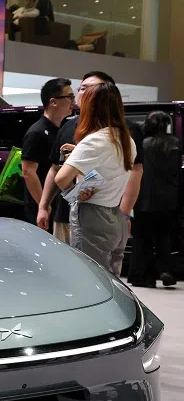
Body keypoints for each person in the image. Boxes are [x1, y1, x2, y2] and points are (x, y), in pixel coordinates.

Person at [38, 71, 145, 243]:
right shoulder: (69, 126)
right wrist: (43, 206)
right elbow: (55, 169)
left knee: (87, 259)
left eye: (90, 89)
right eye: (81, 88)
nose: (83, 93)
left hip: (95, 212)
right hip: (72, 213)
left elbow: (134, 171)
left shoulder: (118, 134)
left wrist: (125, 212)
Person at [55, 82, 135, 275]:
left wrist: (74, 193)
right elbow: (107, 166)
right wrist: (79, 153)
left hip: (92, 217)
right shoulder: (126, 140)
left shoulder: (94, 141)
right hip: (115, 215)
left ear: (91, 108)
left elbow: (61, 179)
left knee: (90, 278)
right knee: (111, 279)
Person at [128, 111, 180, 287]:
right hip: (169, 201)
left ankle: (145, 277)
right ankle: (165, 269)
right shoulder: (175, 143)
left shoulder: (143, 144)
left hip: (144, 200)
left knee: (143, 240)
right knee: (165, 238)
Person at [20, 78, 74, 226]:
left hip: (57, 202)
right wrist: (43, 206)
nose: (73, 101)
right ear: (53, 102)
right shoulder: (37, 132)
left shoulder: (61, 130)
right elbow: (28, 172)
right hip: (42, 206)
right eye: (69, 97)